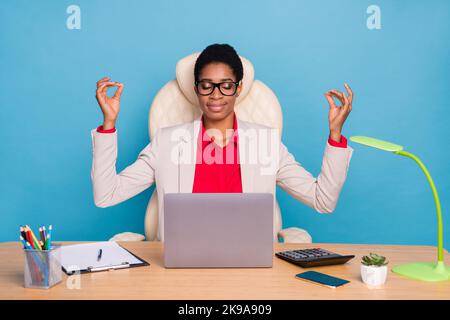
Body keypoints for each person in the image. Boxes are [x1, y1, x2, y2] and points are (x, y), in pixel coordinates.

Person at [91, 43, 354, 241]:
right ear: (196, 89)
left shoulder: (266, 143)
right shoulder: (167, 142)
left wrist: (335, 135)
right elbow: (106, 195)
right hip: (180, 267)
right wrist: (108, 124)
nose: (216, 95)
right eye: (207, 85)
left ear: (238, 89)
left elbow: (323, 200)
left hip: (249, 266)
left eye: (226, 85)